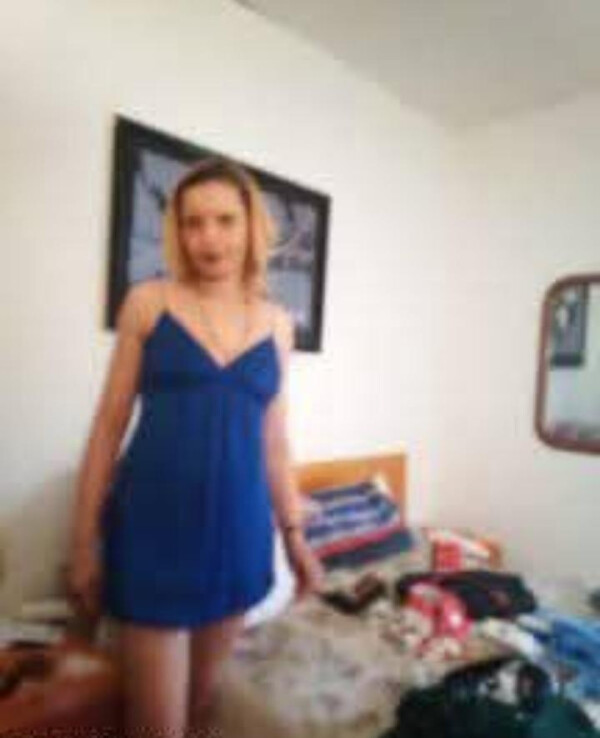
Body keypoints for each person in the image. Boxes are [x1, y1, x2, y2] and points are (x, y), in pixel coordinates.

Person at [66, 156, 326, 738]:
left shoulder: (278, 325)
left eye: (225, 220)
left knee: (204, 708)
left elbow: (275, 442)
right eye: (193, 222)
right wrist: (82, 544)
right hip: (153, 533)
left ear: (251, 226)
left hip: (238, 534)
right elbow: (107, 427)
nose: (209, 237)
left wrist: (295, 537)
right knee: (156, 726)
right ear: (178, 231)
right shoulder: (149, 302)